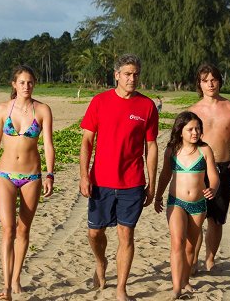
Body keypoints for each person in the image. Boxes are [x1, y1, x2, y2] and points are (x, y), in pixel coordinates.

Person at [79, 53, 159, 301]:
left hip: (132, 182)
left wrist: (152, 184)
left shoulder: (146, 106)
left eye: (135, 74)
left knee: (126, 235)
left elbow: (152, 147)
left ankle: (121, 289)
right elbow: (86, 141)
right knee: (95, 233)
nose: (132, 78)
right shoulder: (99, 101)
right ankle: (101, 262)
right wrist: (84, 176)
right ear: (116, 75)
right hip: (100, 181)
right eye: (127, 74)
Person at [0, 65, 55, 300]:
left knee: (23, 230)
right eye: (22, 82)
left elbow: (49, 145)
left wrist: (50, 174)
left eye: (30, 82)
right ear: (14, 84)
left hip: (32, 176)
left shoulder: (42, 110)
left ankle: (16, 277)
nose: (26, 86)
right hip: (5, 175)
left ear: (34, 84)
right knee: (8, 229)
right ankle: (7, 287)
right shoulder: (3, 109)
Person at [188, 63, 230, 273]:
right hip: (198, 170)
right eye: (205, 80)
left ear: (220, 81)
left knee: (216, 219)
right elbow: (184, 142)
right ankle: (192, 260)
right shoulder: (192, 111)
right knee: (196, 217)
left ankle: (210, 259)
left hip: (223, 169)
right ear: (199, 84)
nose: (210, 84)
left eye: (213, 79)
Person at [154, 111, 219, 299]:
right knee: (177, 242)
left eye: (198, 128)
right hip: (176, 202)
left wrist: (213, 188)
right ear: (180, 130)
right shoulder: (172, 150)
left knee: (191, 247)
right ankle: (176, 288)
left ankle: (185, 280)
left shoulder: (205, 150)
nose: (195, 132)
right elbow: (165, 176)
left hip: (198, 205)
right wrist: (158, 197)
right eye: (190, 129)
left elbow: (213, 176)